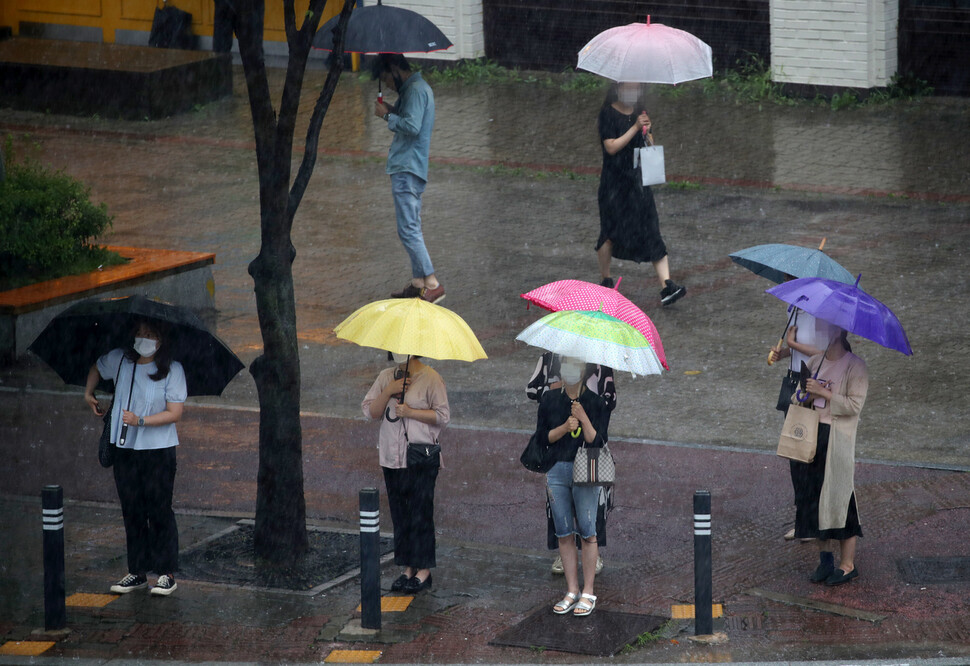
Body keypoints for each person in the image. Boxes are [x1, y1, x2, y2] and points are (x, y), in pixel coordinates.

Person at [84, 319, 187, 596]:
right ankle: (137, 571)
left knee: (160, 509)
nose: (144, 338)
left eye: (150, 334)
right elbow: (97, 366)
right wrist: (88, 392)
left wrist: (141, 421)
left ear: (161, 339)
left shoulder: (172, 370)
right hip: (124, 448)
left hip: (158, 450)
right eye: (140, 333)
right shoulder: (120, 360)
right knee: (132, 509)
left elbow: (174, 413)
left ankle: (166, 573)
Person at [362, 353, 450, 593]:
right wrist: (389, 390)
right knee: (400, 514)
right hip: (392, 457)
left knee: (420, 513)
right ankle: (407, 568)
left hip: (421, 456)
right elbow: (371, 412)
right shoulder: (385, 377)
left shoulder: (431, 378)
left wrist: (410, 412)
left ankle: (424, 570)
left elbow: (443, 416)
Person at [533, 356, 611, 616]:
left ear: (584, 369)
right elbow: (543, 437)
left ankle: (588, 591)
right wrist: (565, 427)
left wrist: (583, 419)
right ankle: (571, 590)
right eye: (566, 363)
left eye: (575, 364)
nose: (569, 369)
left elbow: (597, 441)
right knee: (564, 532)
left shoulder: (596, 403)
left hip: (586, 469)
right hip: (556, 469)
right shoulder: (550, 400)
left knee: (588, 532)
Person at [791, 324, 868, 586]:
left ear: (838, 333)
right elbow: (797, 396)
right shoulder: (815, 360)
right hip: (811, 436)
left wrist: (824, 392)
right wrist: (803, 394)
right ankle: (825, 561)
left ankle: (847, 565)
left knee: (840, 497)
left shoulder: (855, 366)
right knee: (814, 498)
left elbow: (854, 405)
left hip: (836, 440)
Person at [597, 81, 685, 306]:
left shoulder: (640, 113)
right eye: (629, 87)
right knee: (610, 232)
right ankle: (605, 280)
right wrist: (635, 127)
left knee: (651, 228)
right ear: (618, 87)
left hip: (638, 182)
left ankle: (667, 285)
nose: (633, 93)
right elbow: (611, 147)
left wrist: (647, 132)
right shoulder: (607, 114)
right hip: (614, 185)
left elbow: (648, 145)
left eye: (637, 88)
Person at [372, 54, 444, 304]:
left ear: (394, 69)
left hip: (407, 167)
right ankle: (418, 283)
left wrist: (386, 116)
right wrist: (391, 110)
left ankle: (432, 283)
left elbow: (412, 127)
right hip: (412, 166)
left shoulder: (414, 90)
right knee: (411, 225)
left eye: (386, 79)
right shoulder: (419, 88)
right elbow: (411, 120)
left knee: (408, 229)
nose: (389, 86)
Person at [768, 306, 824, 540]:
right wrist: (783, 353)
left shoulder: (819, 313)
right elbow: (799, 351)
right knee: (795, 454)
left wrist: (793, 345)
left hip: (810, 383)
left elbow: (822, 352)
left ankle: (814, 522)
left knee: (808, 454)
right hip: (793, 382)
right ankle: (803, 521)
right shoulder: (792, 310)